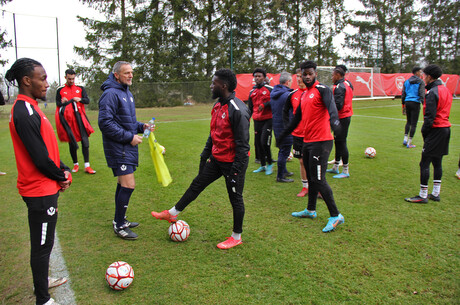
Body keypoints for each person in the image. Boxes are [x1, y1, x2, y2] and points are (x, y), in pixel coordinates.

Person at [152, 68, 250, 249]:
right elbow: (213, 134)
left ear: (224, 86)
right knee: (197, 184)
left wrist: (236, 170)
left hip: (233, 163)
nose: (211, 86)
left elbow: (243, 146)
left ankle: (236, 237)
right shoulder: (217, 105)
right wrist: (205, 155)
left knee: (235, 198)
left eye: (214, 83)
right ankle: (172, 213)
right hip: (217, 159)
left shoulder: (238, 110)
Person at [6, 58, 72, 305]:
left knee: (46, 241)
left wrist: (62, 168)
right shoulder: (23, 111)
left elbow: (48, 150)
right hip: (38, 191)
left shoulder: (32, 108)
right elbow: (39, 158)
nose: (46, 84)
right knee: (42, 245)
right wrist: (61, 175)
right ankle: (43, 299)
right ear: (26, 81)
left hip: (46, 186)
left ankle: (42, 282)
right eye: (42, 78)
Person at [277, 60, 344, 233]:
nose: (307, 77)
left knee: (319, 179)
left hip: (321, 142)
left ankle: (336, 215)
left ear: (315, 73)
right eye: (303, 74)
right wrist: (284, 134)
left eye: (310, 73)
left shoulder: (322, 90)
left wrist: (336, 124)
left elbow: (332, 109)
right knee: (312, 177)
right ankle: (311, 210)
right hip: (308, 141)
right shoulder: (305, 95)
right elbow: (296, 118)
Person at [98, 61, 152, 240]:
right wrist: (129, 138)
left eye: (132, 72)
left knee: (123, 184)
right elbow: (105, 123)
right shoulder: (110, 94)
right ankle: (120, 225)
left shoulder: (126, 93)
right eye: (126, 73)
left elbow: (125, 121)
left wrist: (140, 126)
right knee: (129, 185)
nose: (130, 76)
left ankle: (119, 219)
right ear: (116, 75)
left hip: (124, 148)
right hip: (119, 148)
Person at [405, 64, 452, 203]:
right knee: (437, 162)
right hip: (445, 129)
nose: (422, 77)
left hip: (436, 130)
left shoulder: (432, 93)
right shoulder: (445, 90)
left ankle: (423, 195)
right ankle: (435, 193)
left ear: (429, 77)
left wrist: (425, 133)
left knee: (424, 162)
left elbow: (429, 117)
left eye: (424, 75)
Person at [55, 69, 96, 174]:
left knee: (85, 140)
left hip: (80, 117)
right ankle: (76, 164)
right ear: (65, 77)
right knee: (72, 142)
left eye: (73, 78)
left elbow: (87, 100)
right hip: (68, 119)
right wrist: (62, 102)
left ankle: (87, 165)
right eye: (69, 79)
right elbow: (58, 104)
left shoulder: (80, 88)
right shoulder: (60, 90)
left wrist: (80, 99)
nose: (71, 80)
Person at [283, 68, 309, 196]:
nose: (299, 79)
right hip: (298, 134)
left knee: (314, 162)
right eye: (297, 76)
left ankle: (317, 187)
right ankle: (305, 187)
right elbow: (285, 111)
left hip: (313, 134)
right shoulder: (292, 94)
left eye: (301, 76)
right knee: (302, 161)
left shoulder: (316, 92)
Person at [327, 67, 354, 178]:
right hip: (345, 116)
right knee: (337, 141)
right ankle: (336, 166)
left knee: (341, 142)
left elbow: (338, 105)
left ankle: (346, 170)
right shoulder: (347, 84)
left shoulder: (339, 87)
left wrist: (328, 107)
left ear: (338, 75)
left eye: (333, 75)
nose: (332, 77)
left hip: (342, 117)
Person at [248, 67, 274, 175]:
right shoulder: (252, 92)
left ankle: (270, 164)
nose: (257, 78)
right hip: (257, 120)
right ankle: (263, 165)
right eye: (255, 76)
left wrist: (265, 104)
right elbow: (250, 108)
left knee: (264, 142)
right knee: (258, 143)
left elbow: (275, 102)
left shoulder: (270, 89)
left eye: (259, 76)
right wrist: (247, 119)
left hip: (268, 119)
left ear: (264, 77)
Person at [271, 72, 294, 182]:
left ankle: (284, 170)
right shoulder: (287, 95)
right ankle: (280, 176)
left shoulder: (274, 93)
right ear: (288, 82)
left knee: (282, 149)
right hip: (285, 126)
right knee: (284, 151)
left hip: (276, 125)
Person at [401, 66, 425, 148]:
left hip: (407, 102)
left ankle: (405, 139)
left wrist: (403, 105)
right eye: (420, 71)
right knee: (414, 124)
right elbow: (422, 94)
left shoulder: (406, 81)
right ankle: (409, 143)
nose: (421, 73)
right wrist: (424, 104)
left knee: (408, 121)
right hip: (415, 103)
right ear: (416, 72)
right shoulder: (421, 82)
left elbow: (403, 94)